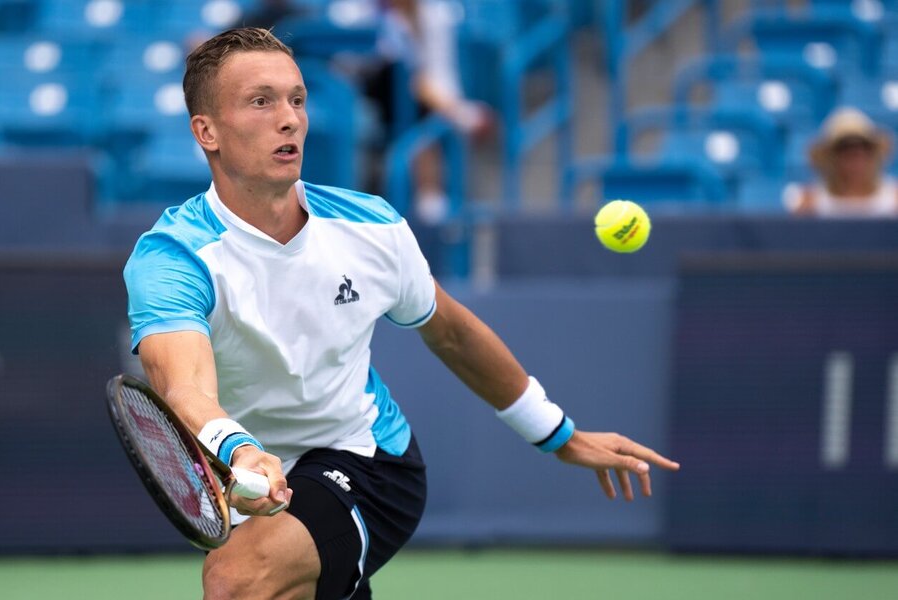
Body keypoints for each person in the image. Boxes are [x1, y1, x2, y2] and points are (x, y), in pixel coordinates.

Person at [123, 27, 679, 600]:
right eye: (261, 101)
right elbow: (184, 388)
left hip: (367, 459)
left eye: (296, 99)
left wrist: (556, 433)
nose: (289, 119)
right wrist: (240, 452)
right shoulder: (174, 257)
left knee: (237, 580)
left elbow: (454, 334)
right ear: (206, 131)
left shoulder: (372, 229)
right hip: (248, 476)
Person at [360, 0, 493, 224]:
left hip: (414, 101)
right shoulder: (359, 11)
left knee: (415, 97)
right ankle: (430, 194)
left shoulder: (437, 15)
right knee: (406, 82)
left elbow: (440, 75)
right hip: (366, 93)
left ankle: (430, 196)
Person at [784, 107, 898, 218]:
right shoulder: (809, 203)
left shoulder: (893, 199)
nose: (856, 159)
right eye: (845, 150)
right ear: (831, 157)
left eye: (864, 149)